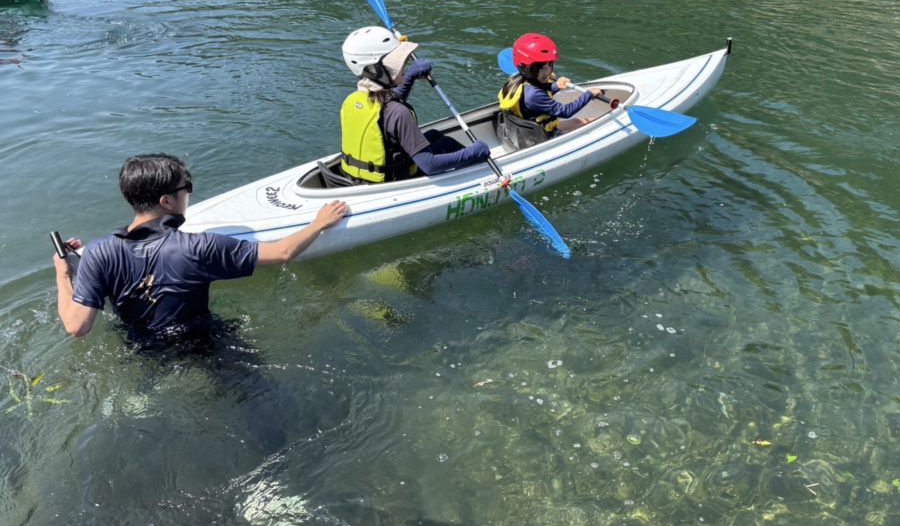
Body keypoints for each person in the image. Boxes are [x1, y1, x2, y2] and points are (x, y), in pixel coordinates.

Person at [53, 153, 349, 340]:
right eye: (187, 188)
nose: (189, 195)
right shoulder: (199, 247)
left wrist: (64, 275)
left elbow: (76, 327)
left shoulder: (98, 253)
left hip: (141, 347)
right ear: (166, 201)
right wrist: (319, 223)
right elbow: (283, 252)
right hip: (201, 342)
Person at [338, 26, 490, 183]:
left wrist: (410, 77)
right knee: (447, 143)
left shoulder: (353, 99)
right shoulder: (399, 113)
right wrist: (474, 152)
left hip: (362, 176)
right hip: (394, 179)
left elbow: (387, 110)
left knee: (434, 135)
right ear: (375, 70)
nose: (403, 64)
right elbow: (429, 165)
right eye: (395, 63)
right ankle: (480, 172)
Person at [497, 33, 603, 150]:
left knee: (578, 122)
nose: (547, 72)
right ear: (525, 68)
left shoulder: (516, 82)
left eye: (549, 65)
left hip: (529, 134)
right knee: (585, 129)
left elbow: (535, 96)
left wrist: (556, 86)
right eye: (541, 67)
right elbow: (566, 111)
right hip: (542, 139)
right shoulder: (533, 95)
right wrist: (589, 94)